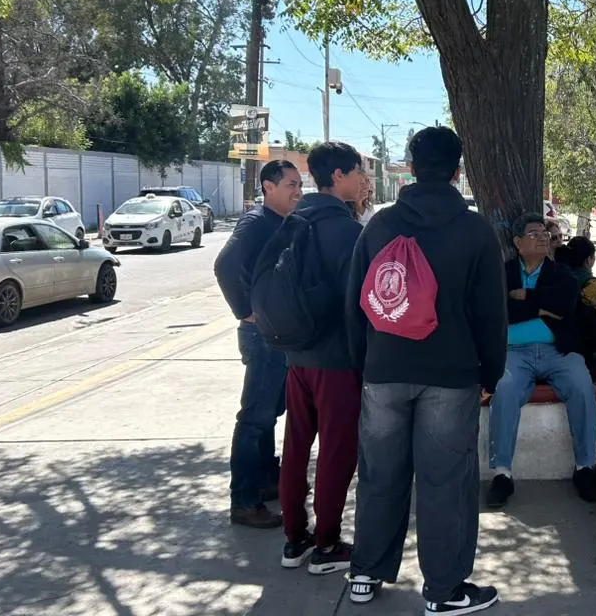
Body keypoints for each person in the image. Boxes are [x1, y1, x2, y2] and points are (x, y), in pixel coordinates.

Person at [345, 126, 506, 613]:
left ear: (411, 168)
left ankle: (366, 573)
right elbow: (490, 315)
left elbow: (355, 303)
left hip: (384, 370)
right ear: (458, 170)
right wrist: (490, 375)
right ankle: (444, 590)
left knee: (379, 474)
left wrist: (366, 365)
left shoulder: (379, 226)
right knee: (445, 483)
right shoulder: (476, 231)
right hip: (451, 374)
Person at [277, 142, 368, 575]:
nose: (363, 180)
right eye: (358, 172)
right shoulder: (348, 232)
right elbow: (360, 305)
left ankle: (295, 538)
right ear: (337, 177)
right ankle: (328, 544)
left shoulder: (291, 222)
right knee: (336, 451)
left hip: (297, 356)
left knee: (296, 446)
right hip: (337, 360)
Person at [487, 215, 596, 509]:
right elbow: (497, 311)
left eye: (545, 234)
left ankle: (585, 468)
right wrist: (541, 307)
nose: (543, 239)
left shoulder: (561, 273)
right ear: (517, 242)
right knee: (505, 387)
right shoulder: (503, 273)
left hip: (558, 351)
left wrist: (526, 299)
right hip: (515, 353)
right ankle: (502, 473)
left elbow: (564, 307)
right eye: (534, 233)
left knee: (581, 384)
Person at [214, 160, 302, 529]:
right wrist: (246, 310)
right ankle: (245, 501)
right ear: (268, 186)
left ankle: (267, 482)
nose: (298, 191)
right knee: (255, 418)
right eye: (291, 185)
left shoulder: (282, 223)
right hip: (261, 334)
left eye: (299, 185)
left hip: (277, 333)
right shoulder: (255, 223)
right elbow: (224, 265)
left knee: (270, 414)